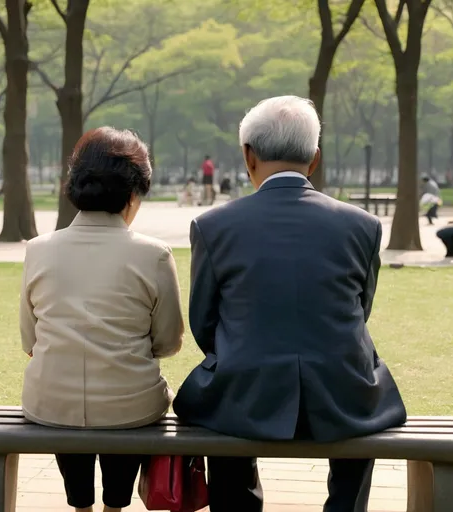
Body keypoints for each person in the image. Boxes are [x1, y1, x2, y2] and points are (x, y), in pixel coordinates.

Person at [173, 96, 407, 512]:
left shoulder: (212, 226)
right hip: (341, 389)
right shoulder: (363, 226)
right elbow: (359, 309)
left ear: (249, 156)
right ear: (314, 158)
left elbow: (204, 323)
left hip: (245, 388)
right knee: (363, 392)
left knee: (223, 398)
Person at [20, 127, 184, 512]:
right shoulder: (154, 255)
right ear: (133, 193)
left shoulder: (39, 250)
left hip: (49, 403)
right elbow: (169, 343)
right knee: (128, 403)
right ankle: (115, 504)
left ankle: (81, 505)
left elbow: (30, 342)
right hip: (132, 406)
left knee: (65, 405)